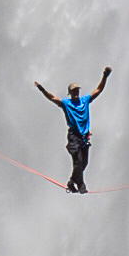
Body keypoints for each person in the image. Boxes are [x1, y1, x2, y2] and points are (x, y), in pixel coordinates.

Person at [36, 65, 111, 193]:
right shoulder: (66, 103)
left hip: (84, 137)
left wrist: (105, 76)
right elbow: (52, 98)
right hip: (74, 136)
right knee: (78, 160)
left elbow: (98, 90)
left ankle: (72, 182)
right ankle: (81, 185)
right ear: (69, 93)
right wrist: (42, 89)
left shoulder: (85, 100)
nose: (76, 93)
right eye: (73, 91)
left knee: (84, 163)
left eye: (77, 90)